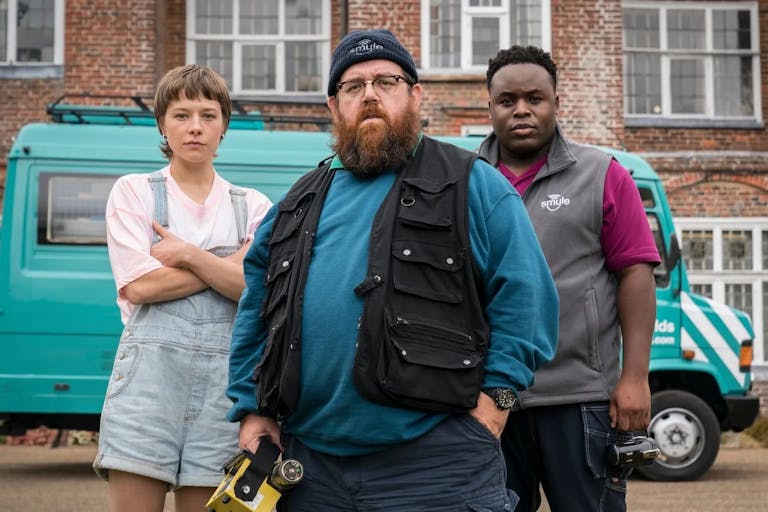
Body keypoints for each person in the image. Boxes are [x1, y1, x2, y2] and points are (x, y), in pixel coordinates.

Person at [227, 29, 559, 511]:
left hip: (437, 464)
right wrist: (251, 409)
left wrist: (495, 405)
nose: (370, 96)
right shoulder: (296, 203)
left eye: (386, 81)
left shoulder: (472, 183)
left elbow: (527, 298)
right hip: (310, 468)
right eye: (353, 86)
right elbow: (255, 311)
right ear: (333, 106)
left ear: (415, 94)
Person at [478, 46, 661, 512]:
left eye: (535, 98)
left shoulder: (603, 174)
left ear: (557, 104)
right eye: (507, 100)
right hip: (485, 400)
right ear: (491, 106)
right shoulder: (464, 181)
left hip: (579, 400)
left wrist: (635, 377)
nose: (521, 109)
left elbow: (636, 273)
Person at [93, 64, 272, 512]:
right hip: (145, 391)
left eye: (209, 115)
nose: (195, 127)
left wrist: (188, 255)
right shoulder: (133, 192)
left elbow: (257, 289)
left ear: (225, 126)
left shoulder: (254, 205)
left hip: (222, 397)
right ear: (162, 123)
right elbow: (140, 287)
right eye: (181, 115)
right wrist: (227, 263)